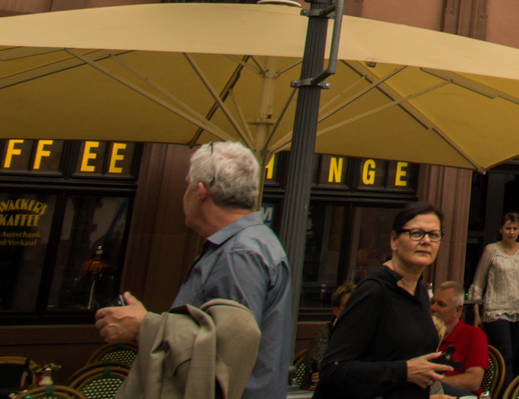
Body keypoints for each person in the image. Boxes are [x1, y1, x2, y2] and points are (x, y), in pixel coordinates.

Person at [94, 142, 293, 399]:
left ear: (200, 192)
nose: (183, 194)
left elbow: (223, 358)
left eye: (186, 184)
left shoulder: (239, 254)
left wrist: (144, 325)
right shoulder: (244, 245)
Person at [316, 202, 453, 399]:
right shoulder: (374, 291)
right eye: (416, 233)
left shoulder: (420, 293)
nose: (426, 241)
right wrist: (403, 371)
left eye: (434, 234)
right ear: (394, 240)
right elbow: (333, 370)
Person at [469, 212, 519, 365]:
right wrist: (476, 314)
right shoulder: (491, 250)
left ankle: (498, 387)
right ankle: (509, 390)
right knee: (504, 356)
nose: (511, 232)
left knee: (510, 358)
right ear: (500, 230)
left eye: (515, 228)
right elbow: (478, 284)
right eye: (508, 228)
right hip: (496, 309)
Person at [428, 284, 488, 395]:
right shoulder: (425, 333)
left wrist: (432, 384)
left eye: (441, 304)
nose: (433, 308)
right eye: (432, 302)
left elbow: (474, 381)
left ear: (457, 310)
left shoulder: (473, 335)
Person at [309, 284, 357, 386]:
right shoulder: (323, 334)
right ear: (336, 311)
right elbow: (324, 369)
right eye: (347, 305)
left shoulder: (363, 334)